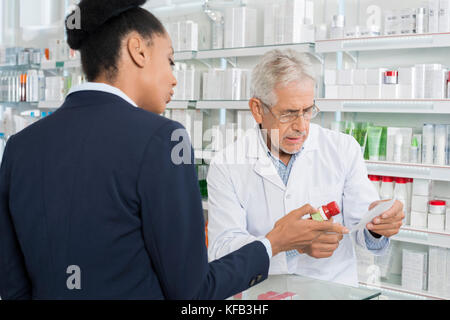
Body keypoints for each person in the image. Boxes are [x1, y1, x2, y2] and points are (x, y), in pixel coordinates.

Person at [0, 1, 348, 300]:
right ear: (138, 50)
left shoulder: (20, 147)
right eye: (170, 61)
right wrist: (273, 243)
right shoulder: (161, 139)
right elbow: (192, 293)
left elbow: (13, 286)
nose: (173, 79)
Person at [207, 49, 405, 286]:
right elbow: (222, 249)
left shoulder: (342, 148)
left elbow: (362, 227)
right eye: (289, 113)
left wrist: (378, 226)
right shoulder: (227, 164)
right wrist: (289, 245)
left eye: (308, 111)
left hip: (331, 290)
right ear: (258, 109)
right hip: (263, 291)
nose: (301, 126)